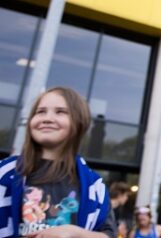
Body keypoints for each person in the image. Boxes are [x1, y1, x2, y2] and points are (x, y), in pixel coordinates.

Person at [0, 86, 115, 237]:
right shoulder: (4, 172)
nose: (47, 118)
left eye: (60, 112)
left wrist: (76, 234)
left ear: (79, 122)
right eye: (40, 112)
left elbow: (108, 233)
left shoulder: (95, 186)